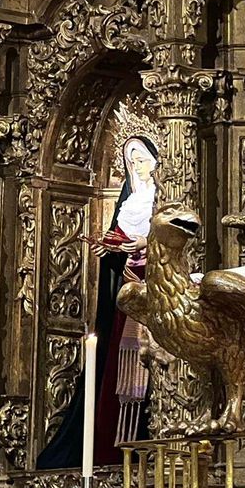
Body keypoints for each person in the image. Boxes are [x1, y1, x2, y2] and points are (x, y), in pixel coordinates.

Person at [37, 136, 157, 469]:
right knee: (118, 371)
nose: (137, 165)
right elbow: (118, 255)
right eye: (131, 160)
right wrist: (112, 253)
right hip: (129, 300)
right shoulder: (129, 205)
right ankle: (113, 450)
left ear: (156, 160)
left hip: (158, 301)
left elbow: (176, 241)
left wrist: (146, 242)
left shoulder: (158, 200)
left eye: (142, 158)